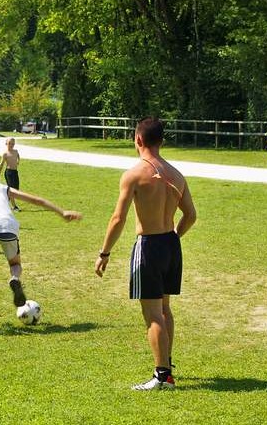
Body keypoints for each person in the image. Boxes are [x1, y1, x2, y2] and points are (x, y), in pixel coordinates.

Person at [95, 117, 196, 391]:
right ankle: (167, 364)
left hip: (149, 246)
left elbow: (118, 218)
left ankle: (162, 375)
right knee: (164, 309)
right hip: (171, 245)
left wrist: (104, 252)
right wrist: (174, 235)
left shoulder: (134, 174)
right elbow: (191, 215)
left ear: (138, 139)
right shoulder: (176, 174)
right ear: (161, 141)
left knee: (153, 314)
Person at [0, 167, 82, 334]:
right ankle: (14, 278)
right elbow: (36, 200)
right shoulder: (2, 187)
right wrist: (62, 212)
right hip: (8, 227)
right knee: (15, 264)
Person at [0, 137, 21, 211]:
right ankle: (14, 207)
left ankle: (4, 201)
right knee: (11, 190)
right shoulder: (5, 153)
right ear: (6, 143)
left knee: (16, 189)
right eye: (9, 143)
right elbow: (1, 164)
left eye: (13, 143)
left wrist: (18, 161)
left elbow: (18, 156)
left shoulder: (16, 151)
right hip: (9, 172)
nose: (11, 145)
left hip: (15, 172)